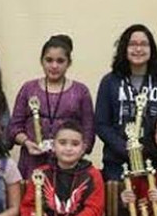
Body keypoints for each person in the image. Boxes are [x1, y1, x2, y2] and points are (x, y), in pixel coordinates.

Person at [94, 24, 157, 182]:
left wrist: (152, 149)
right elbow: (101, 124)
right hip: (117, 163)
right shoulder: (109, 82)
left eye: (144, 44)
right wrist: (126, 149)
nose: (138, 49)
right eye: (133, 44)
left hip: (154, 161)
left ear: (151, 49)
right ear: (124, 49)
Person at [9, 34, 94, 178]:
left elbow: (88, 131)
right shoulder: (28, 88)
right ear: (41, 61)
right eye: (49, 60)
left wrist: (73, 154)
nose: (54, 66)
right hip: (32, 163)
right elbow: (14, 127)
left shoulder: (81, 91)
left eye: (60, 61)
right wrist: (27, 142)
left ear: (69, 63)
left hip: (69, 167)